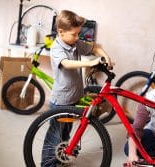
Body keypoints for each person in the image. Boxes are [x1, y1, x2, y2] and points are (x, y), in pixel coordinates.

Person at [41, 10, 112, 167]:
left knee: (66, 134)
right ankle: (47, 164)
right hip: (61, 101)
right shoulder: (57, 48)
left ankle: (61, 158)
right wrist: (90, 63)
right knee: (55, 136)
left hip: (74, 98)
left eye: (78, 34)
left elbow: (95, 47)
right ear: (61, 32)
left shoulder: (73, 42)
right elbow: (66, 63)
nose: (77, 37)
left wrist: (105, 56)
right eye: (74, 34)